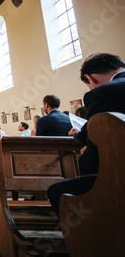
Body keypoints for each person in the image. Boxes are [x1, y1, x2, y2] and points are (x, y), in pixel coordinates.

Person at [47, 53, 125, 216]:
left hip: (119, 178)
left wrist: (84, 156)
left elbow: (95, 158)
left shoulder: (104, 92)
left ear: (91, 79)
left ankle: (88, 239)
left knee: (57, 192)